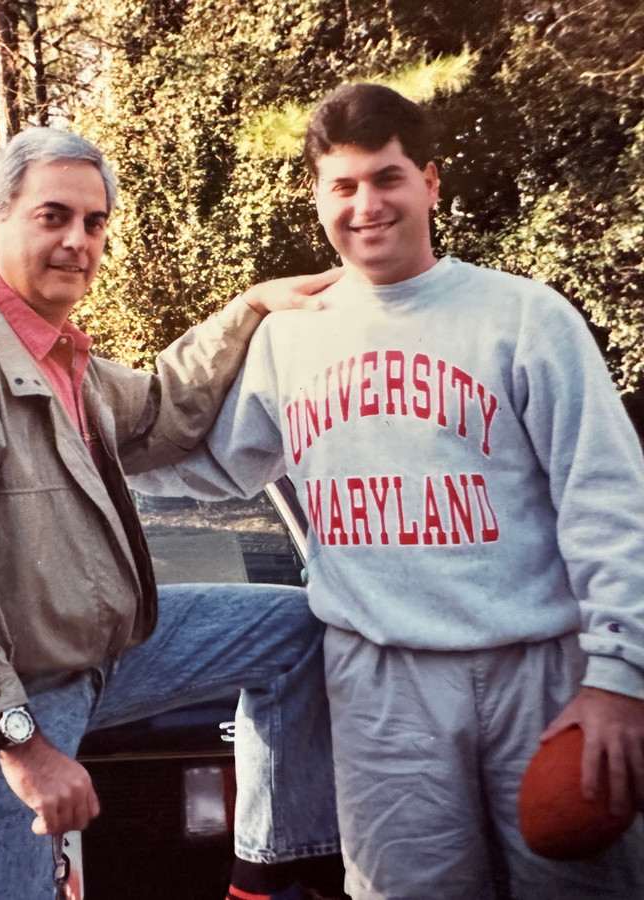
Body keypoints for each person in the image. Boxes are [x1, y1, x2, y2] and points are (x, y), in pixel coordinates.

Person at [137, 83, 644, 898]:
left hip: (541, 671)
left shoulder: (524, 318)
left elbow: (609, 498)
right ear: (316, 196)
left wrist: (620, 676)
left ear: (431, 182)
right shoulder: (289, 338)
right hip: (382, 684)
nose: (366, 205)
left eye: (387, 178)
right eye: (343, 186)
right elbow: (201, 462)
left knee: (577, 883)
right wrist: (55, 447)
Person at [0, 126, 345, 900]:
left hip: (92, 656)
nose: (78, 241)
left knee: (299, 632)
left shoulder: (56, 355)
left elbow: (164, 409)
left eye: (94, 223)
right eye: (53, 217)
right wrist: (23, 747)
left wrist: (249, 309)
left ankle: (267, 875)